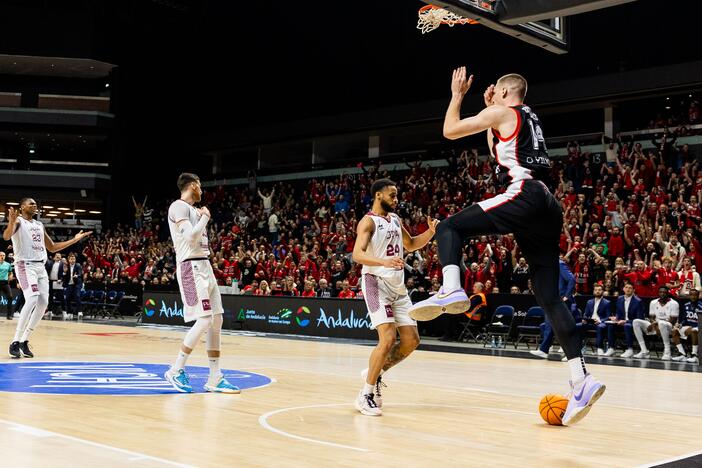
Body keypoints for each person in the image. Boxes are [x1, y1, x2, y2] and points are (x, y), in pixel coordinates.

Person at [408, 69, 604, 425]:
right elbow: (499, 151)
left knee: (450, 226)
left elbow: (450, 130)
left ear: (502, 91)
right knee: (548, 297)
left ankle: (451, 289)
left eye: (494, 92)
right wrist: (487, 115)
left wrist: (456, 95)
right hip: (547, 204)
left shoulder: (504, 111)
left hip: (524, 193)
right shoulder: (527, 117)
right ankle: (581, 378)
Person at [352, 178, 438, 416]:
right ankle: (365, 394)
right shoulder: (368, 222)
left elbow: (410, 245)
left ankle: (376, 371)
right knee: (388, 338)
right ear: (378, 195)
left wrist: (430, 233)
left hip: (397, 289)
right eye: (392, 195)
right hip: (375, 283)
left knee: (411, 341)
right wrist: (384, 261)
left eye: (397, 195)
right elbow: (357, 255)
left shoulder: (396, 220)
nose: (396, 199)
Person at [164, 173, 240, 394]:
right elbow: (189, 238)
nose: (202, 191)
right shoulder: (178, 206)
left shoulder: (195, 211)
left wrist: (202, 216)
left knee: (216, 319)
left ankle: (215, 377)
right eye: (200, 187)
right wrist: (206, 217)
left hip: (204, 266)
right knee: (205, 319)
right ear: (193, 186)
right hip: (189, 268)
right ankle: (176, 369)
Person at [2, 198, 91, 358]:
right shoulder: (19, 222)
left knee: (43, 304)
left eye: (36, 204)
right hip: (24, 265)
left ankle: (24, 340)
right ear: (22, 207)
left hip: (40, 267)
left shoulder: (39, 225)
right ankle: (14, 341)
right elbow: (6, 237)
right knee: (33, 297)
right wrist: (11, 221)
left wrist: (75, 240)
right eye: (31, 204)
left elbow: (52, 247)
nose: (34, 206)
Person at [632, 285, 679, 360]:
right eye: (660, 292)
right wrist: (655, 324)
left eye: (664, 292)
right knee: (636, 321)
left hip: (669, 327)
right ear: (658, 293)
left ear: (668, 293)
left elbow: (672, 321)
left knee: (662, 323)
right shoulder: (653, 302)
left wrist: (656, 324)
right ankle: (644, 351)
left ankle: (667, 352)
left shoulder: (674, 303)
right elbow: (651, 317)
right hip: (656, 326)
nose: (662, 294)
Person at [610, 282, 644, 358]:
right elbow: (618, 312)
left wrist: (626, 321)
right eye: (626, 287)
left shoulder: (638, 301)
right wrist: (616, 318)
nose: (628, 289)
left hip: (633, 323)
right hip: (621, 321)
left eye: (630, 288)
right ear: (623, 289)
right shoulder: (620, 298)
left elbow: (640, 318)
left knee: (627, 326)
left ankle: (630, 349)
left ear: (633, 290)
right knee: (610, 325)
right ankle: (611, 348)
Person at [672, 288, 701, 363]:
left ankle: (695, 355)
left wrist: (696, 326)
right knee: (674, 331)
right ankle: (682, 354)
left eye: (695, 295)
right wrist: (680, 324)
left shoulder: (701, 305)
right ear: (689, 296)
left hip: (699, 327)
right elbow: (684, 319)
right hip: (689, 327)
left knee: (694, 331)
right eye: (691, 295)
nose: (693, 297)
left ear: (698, 296)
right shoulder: (686, 305)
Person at [62, 253, 83, 319]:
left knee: (77, 295)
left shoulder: (78, 265)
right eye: (71, 259)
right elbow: (64, 277)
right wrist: (64, 272)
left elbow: (80, 273)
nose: (73, 260)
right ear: (69, 259)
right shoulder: (66, 266)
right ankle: (70, 312)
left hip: (77, 284)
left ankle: (80, 312)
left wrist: (77, 275)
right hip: (69, 284)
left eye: (74, 259)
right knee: (67, 298)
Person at [0, 251, 14, 319]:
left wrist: (11, 275)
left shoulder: (8, 264)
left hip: (5, 283)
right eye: (1, 255)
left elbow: (10, 272)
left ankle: (9, 315)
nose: (2, 257)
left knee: (10, 297)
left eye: (3, 255)